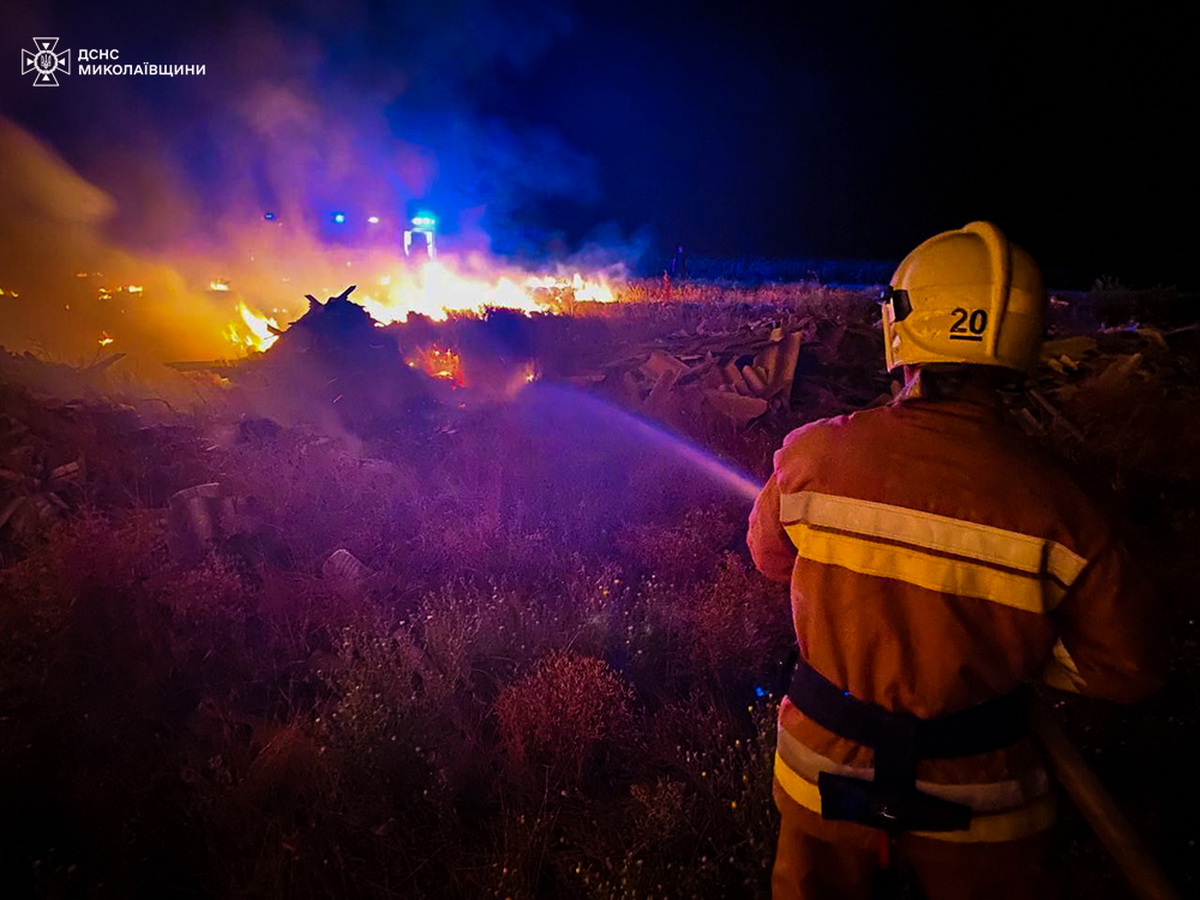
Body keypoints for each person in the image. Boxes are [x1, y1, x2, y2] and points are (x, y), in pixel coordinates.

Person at [747, 221, 1162, 899]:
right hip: (984, 807)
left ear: (901, 330)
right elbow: (1127, 667)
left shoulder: (812, 455)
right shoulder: (1066, 503)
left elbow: (769, 558)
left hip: (819, 778)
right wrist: (1006, 644)